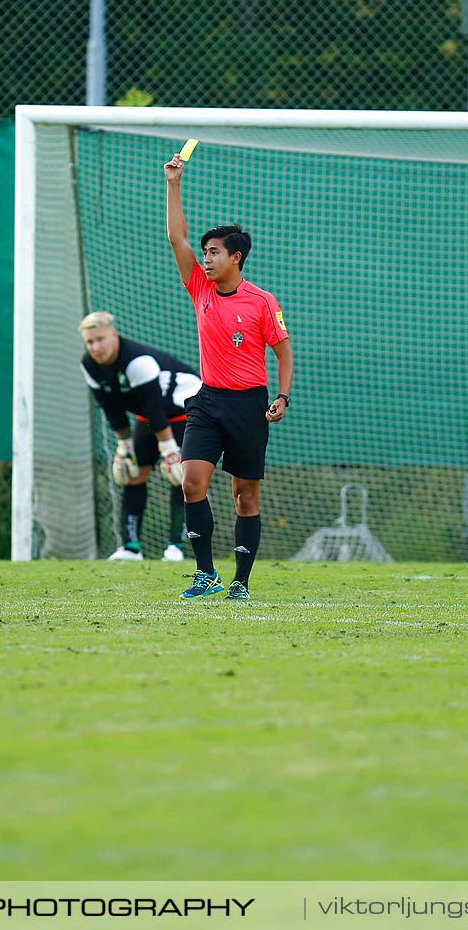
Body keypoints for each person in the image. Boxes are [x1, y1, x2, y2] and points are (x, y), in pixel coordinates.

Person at [163, 150, 293, 601]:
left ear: (236, 257)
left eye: (214, 252)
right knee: (191, 481)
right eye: (205, 253)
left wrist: (281, 398)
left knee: (245, 498)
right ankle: (206, 574)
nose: (206, 258)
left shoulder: (261, 301)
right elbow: (177, 239)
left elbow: (283, 351)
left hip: (249, 405)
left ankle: (240, 582)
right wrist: (174, 184)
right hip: (208, 402)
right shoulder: (200, 287)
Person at [80, 311, 199, 562]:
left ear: (114, 335)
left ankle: (176, 547)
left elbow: (154, 407)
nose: (96, 347)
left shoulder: (136, 361)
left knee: (182, 477)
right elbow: (110, 407)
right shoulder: (89, 365)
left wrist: (169, 452)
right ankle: (131, 547)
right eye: (90, 342)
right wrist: (124, 446)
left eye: (100, 339)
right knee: (134, 473)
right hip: (150, 418)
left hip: (186, 413)